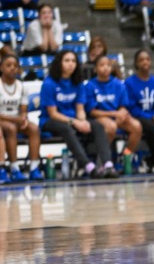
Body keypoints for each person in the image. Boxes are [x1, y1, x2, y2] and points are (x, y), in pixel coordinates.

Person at [39, 50, 112, 178]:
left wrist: (83, 121)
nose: (71, 64)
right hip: (50, 121)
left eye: (73, 61)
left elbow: (80, 109)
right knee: (67, 128)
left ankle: (108, 165)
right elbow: (53, 114)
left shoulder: (78, 82)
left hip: (73, 119)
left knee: (98, 126)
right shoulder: (49, 83)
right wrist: (75, 122)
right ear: (59, 63)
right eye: (67, 60)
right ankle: (88, 166)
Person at [85, 54, 140, 176]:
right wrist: (115, 114)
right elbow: (92, 111)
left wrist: (122, 113)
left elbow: (124, 106)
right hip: (99, 117)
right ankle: (101, 163)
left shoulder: (119, 85)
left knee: (136, 126)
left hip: (116, 115)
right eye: (102, 65)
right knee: (111, 127)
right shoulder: (90, 86)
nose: (105, 68)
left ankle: (124, 160)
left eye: (108, 65)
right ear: (95, 69)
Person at [0, 54, 43, 181]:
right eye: (8, 65)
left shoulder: (21, 86)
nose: (12, 68)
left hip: (15, 119)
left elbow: (23, 109)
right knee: (11, 128)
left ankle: (34, 167)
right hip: (3, 120)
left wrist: (24, 118)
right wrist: (15, 119)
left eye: (15, 66)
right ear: (1, 68)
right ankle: (14, 168)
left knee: (34, 128)